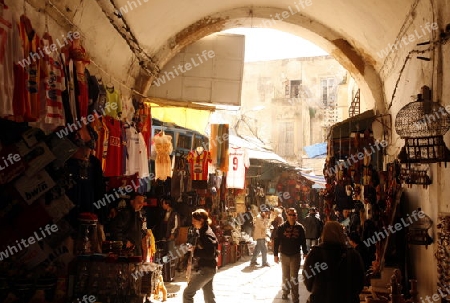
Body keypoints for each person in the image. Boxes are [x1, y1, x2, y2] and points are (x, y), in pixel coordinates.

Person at [303, 221, 365, 303]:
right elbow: (360, 280)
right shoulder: (352, 254)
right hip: (348, 298)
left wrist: (315, 289)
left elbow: (307, 275)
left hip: (321, 298)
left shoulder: (315, 253)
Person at [183, 208, 219, 303]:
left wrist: (195, 251)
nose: (193, 222)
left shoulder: (206, 234)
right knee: (209, 296)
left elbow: (210, 253)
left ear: (201, 220)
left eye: (195, 221)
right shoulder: (203, 230)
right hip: (208, 268)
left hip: (207, 269)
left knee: (187, 294)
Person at [273, 208, 308, 302]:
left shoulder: (300, 228)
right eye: (290, 215)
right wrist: (275, 254)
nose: (292, 217)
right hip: (284, 255)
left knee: (294, 277)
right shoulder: (281, 227)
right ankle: (285, 291)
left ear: (296, 216)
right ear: (287, 215)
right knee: (285, 276)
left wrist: (305, 252)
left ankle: (295, 297)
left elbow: (303, 241)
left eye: (294, 215)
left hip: (295, 255)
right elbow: (276, 241)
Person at [109, 192, 146, 257]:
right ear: (132, 202)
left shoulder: (139, 214)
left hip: (136, 249)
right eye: (139, 203)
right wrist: (125, 241)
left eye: (142, 203)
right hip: (127, 251)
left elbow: (141, 230)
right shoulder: (126, 213)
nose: (141, 205)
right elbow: (115, 230)